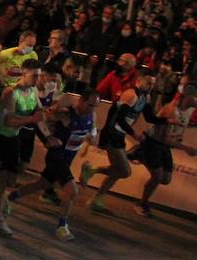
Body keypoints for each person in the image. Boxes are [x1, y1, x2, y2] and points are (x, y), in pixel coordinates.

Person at [8, 88, 98, 240]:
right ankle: (62, 226)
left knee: (42, 183)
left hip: (68, 158)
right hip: (56, 156)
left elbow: (93, 135)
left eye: (95, 106)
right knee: (72, 191)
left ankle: (9, 197)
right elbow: (40, 118)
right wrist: (48, 136)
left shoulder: (92, 115)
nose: (92, 108)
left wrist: (92, 137)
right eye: (90, 105)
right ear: (81, 101)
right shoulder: (66, 113)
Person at [81, 69, 157, 212]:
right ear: (138, 82)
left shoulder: (146, 97)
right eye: (148, 83)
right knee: (125, 171)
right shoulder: (130, 95)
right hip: (112, 134)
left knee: (118, 170)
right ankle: (91, 171)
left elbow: (150, 117)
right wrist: (134, 134)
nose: (151, 87)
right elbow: (119, 120)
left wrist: (169, 120)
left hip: (120, 135)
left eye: (153, 84)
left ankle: (96, 199)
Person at [0, 59, 43, 236]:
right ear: (24, 74)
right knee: (1, 179)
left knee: (11, 178)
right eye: (34, 76)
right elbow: (8, 120)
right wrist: (31, 120)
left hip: (13, 137)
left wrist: (47, 133)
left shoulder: (33, 91)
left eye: (39, 76)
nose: (37, 80)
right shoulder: (11, 92)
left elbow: (40, 110)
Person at [133, 83, 196, 218]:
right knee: (157, 176)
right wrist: (186, 148)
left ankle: (140, 155)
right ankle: (141, 203)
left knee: (166, 179)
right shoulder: (171, 110)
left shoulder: (189, 109)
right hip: (154, 142)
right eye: (194, 97)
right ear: (188, 97)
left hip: (165, 145)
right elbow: (164, 138)